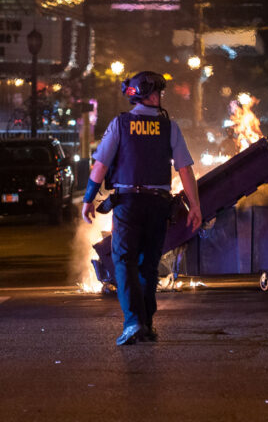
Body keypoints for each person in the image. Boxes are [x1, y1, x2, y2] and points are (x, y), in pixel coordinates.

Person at [82, 71, 202, 346]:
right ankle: (147, 324)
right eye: (158, 92)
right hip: (159, 204)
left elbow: (100, 166)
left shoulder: (120, 125)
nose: (161, 97)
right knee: (148, 265)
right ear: (147, 93)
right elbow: (185, 169)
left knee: (123, 261)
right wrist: (195, 206)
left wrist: (88, 199)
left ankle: (134, 322)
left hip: (128, 204)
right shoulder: (169, 127)